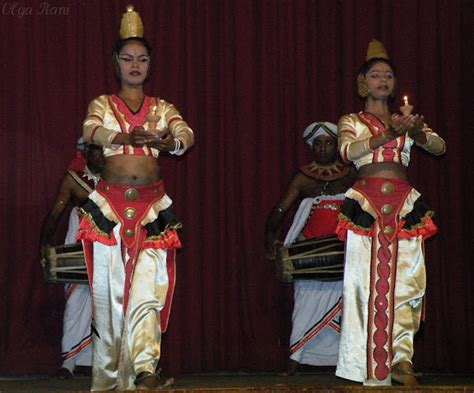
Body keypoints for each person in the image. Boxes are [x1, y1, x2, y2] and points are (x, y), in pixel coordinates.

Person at [77, 5, 194, 391]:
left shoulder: (162, 108)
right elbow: (90, 130)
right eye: (127, 58)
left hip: (152, 209)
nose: (135, 64)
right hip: (109, 207)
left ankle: (146, 372)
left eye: (142, 59)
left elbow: (186, 135)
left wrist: (168, 140)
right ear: (115, 63)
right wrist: (124, 138)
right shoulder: (102, 104)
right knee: (109, 300)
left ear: (150, 65)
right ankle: (111, 382)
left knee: (148, 291)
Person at [334, 40, 446, 386]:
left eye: (388, 75)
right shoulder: (352, 120)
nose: (383, 80)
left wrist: (414, 133)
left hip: (403, 205)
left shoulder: (406, 120)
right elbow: (347, 152)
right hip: (366, 204)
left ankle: (401, 361)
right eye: (375, 75)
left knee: (408, 284)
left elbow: (439, 147)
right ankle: (362, 363)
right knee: (361, 285)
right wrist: (387, 137)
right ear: (363, 83)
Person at [265, 122, 355, 376]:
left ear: (337, 146)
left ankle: (345, 362)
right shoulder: (303, 178)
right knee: (304, 307)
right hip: (309, 252)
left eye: (329, 142)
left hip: (343, 251)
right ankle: (296, 359)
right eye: (318, 143)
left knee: (347, 307)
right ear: (311, 146)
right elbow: (281, 209)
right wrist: (269, 234)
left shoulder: (350, 175)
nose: (324, 148)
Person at [39, 140, 104, 379]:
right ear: (86, 154)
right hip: (78, 247)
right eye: (96, 151)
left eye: (105, 151)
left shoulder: (117, 181)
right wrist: (43, 245)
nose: (102, 156)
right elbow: (55, 213)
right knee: (76, 302)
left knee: (106, 306)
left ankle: (100, 362)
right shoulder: (74, 180)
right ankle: (69, 362)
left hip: (108, 250)